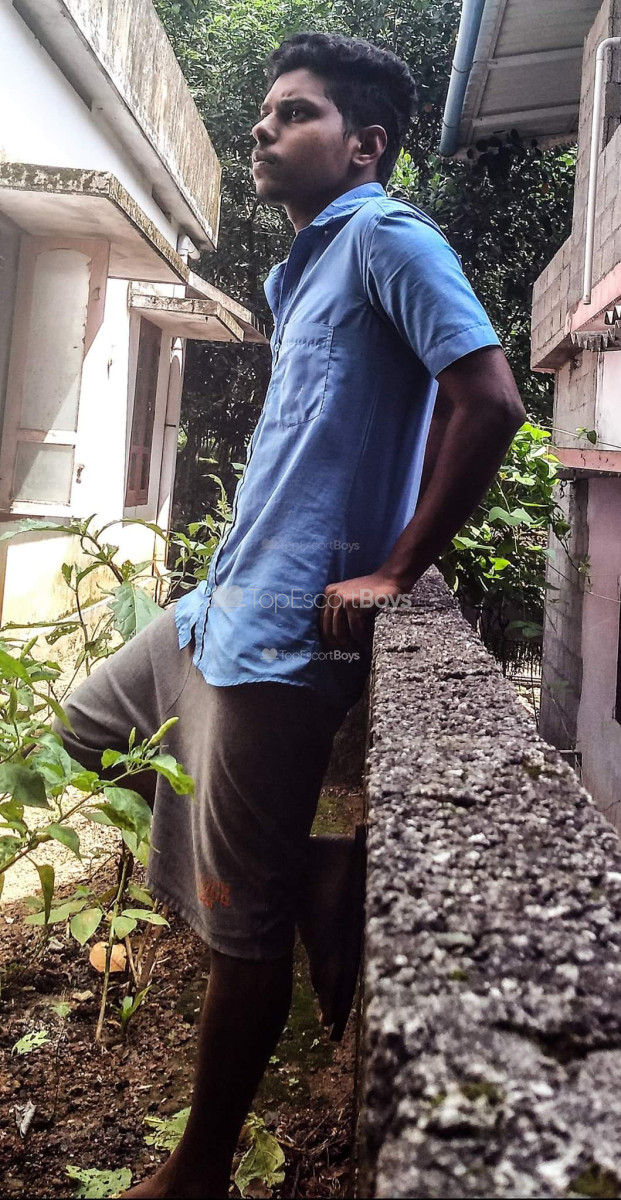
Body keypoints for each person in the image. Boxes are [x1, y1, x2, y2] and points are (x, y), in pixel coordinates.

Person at [55, 32, 525, 1199]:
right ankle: (313, 871)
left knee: (238, 928)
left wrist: (399, 570)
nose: (263, 127)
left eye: (294, 112)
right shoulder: (299, 273)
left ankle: (199, 1170)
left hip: (280, 647)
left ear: (364, 144)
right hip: (218, 606)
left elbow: (489, 400)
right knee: (83, 728)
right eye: (264, 112)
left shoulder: (389, 237)